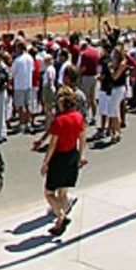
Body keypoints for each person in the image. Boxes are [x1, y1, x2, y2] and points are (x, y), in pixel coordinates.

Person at [42, 87, 88, 237]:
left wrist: (45, 163)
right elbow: (82, 139)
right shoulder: (78, 117)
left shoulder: (59, 121)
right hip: (72, 156)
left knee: (49, 193)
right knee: (63, 193)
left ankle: (60, 216)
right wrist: (81, 156)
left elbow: (52, 145)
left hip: (59, 158)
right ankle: (59, 220)